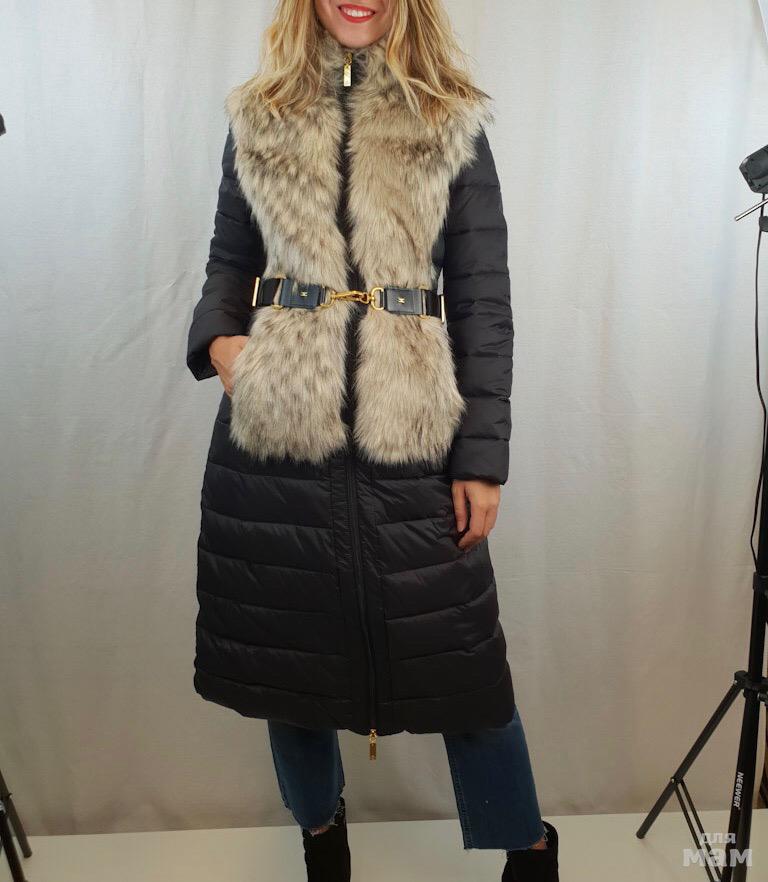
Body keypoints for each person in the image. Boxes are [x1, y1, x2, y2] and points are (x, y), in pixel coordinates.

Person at [186, 1, 559, 879]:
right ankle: (322, 841)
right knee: (289, 672)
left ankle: (529, 849)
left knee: (465, 669)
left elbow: (484, 301)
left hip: (413, 432)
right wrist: (223, 345)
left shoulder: (450, 118)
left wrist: (482, 457)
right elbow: (228, 260)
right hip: (279, 433)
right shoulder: (260, 114)